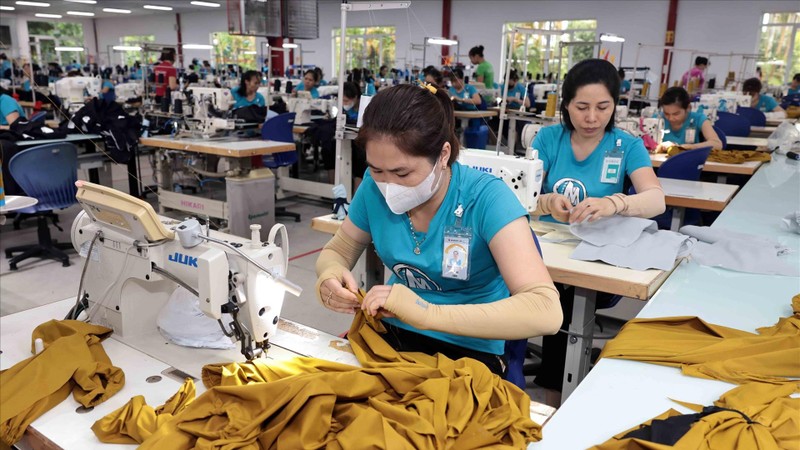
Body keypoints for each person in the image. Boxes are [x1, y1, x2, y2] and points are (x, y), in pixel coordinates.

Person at [314, 83, 562, 377]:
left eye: (402, 172)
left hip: (469, 349)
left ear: (443, 155)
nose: (387, 185)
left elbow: (546, 310)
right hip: (393, 332)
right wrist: (329, 275)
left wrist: (427, 313)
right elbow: (339, 249)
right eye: (376, 170)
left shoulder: (487, 199)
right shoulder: (373, 187)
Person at [531, 59, 665, 404]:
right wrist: (545, 201)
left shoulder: (627, 146)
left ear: (615, 106)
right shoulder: (548, 139)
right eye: (582, 107)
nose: (592, 117)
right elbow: (518, 196)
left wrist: (615, 204)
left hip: (594, 257)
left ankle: (556, 393)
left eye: (603, 107)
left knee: (560, 298)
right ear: (565, 105)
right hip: (546, 250)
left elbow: (656, 200)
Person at [656, 87, 722, 152]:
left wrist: (690, 147)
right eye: (666, 114)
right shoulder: (657, 119)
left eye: (676, 114)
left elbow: (717, 144)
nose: (670, 118)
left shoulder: (698, 119)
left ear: (688, 108)